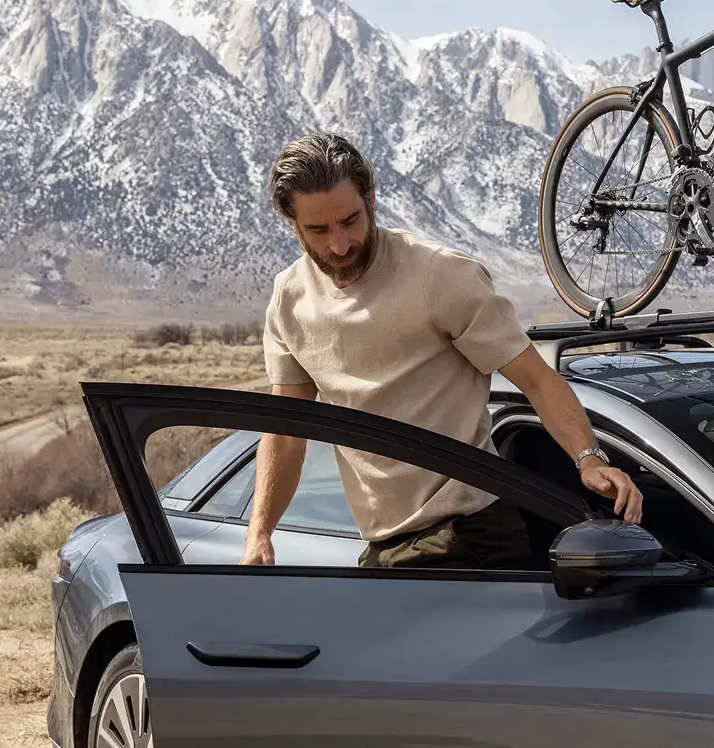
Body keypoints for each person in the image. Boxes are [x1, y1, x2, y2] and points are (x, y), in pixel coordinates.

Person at [239, 131, 643, 570]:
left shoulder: (439, 276)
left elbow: (536, 380)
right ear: (292, 224)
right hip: (382, 545)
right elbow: (286, 430)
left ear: (371, 198)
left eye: (350, 221)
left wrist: (588, 459)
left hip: (470, 532)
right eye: (318, 229)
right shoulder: (289, 299)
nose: (338, 244)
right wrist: (259, 534)